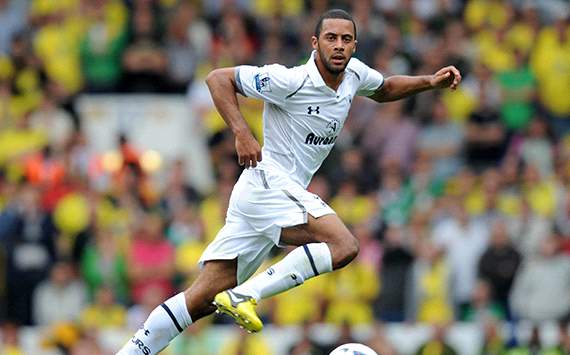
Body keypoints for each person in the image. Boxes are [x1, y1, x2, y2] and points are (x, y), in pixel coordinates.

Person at [118, 9, 461, 354]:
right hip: (270, 183)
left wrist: (429, 82)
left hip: (263, 194)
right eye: (331, 38)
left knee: (201, 299)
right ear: (315, 43)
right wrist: (242, 133)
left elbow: (384, 88)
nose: (338, 46)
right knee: (344, 246)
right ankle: (245, 295)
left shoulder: (354, 74)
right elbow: (218, 79)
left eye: (346, 39)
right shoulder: (289, 80)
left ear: (355, 45)